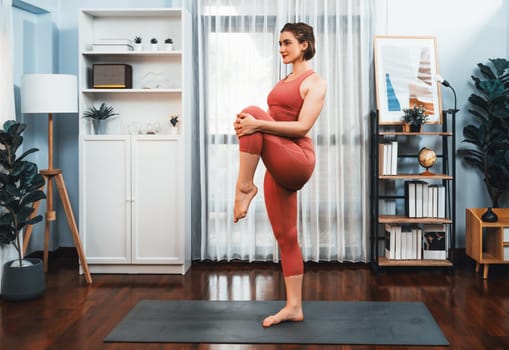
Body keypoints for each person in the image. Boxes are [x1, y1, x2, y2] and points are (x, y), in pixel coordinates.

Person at [232, 22, 326, 328]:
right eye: (280, 44)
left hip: (298, 159)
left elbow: (301, 128)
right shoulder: (285, 80)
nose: (282, 48)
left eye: (287, 43)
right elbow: (270, 125)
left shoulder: (316, 82)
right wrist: (248, 130)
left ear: (304, 45)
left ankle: (245, 186)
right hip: (278, 160)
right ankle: (294, 306)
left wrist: (257, 125)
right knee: (286, 237)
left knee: (252, 112)